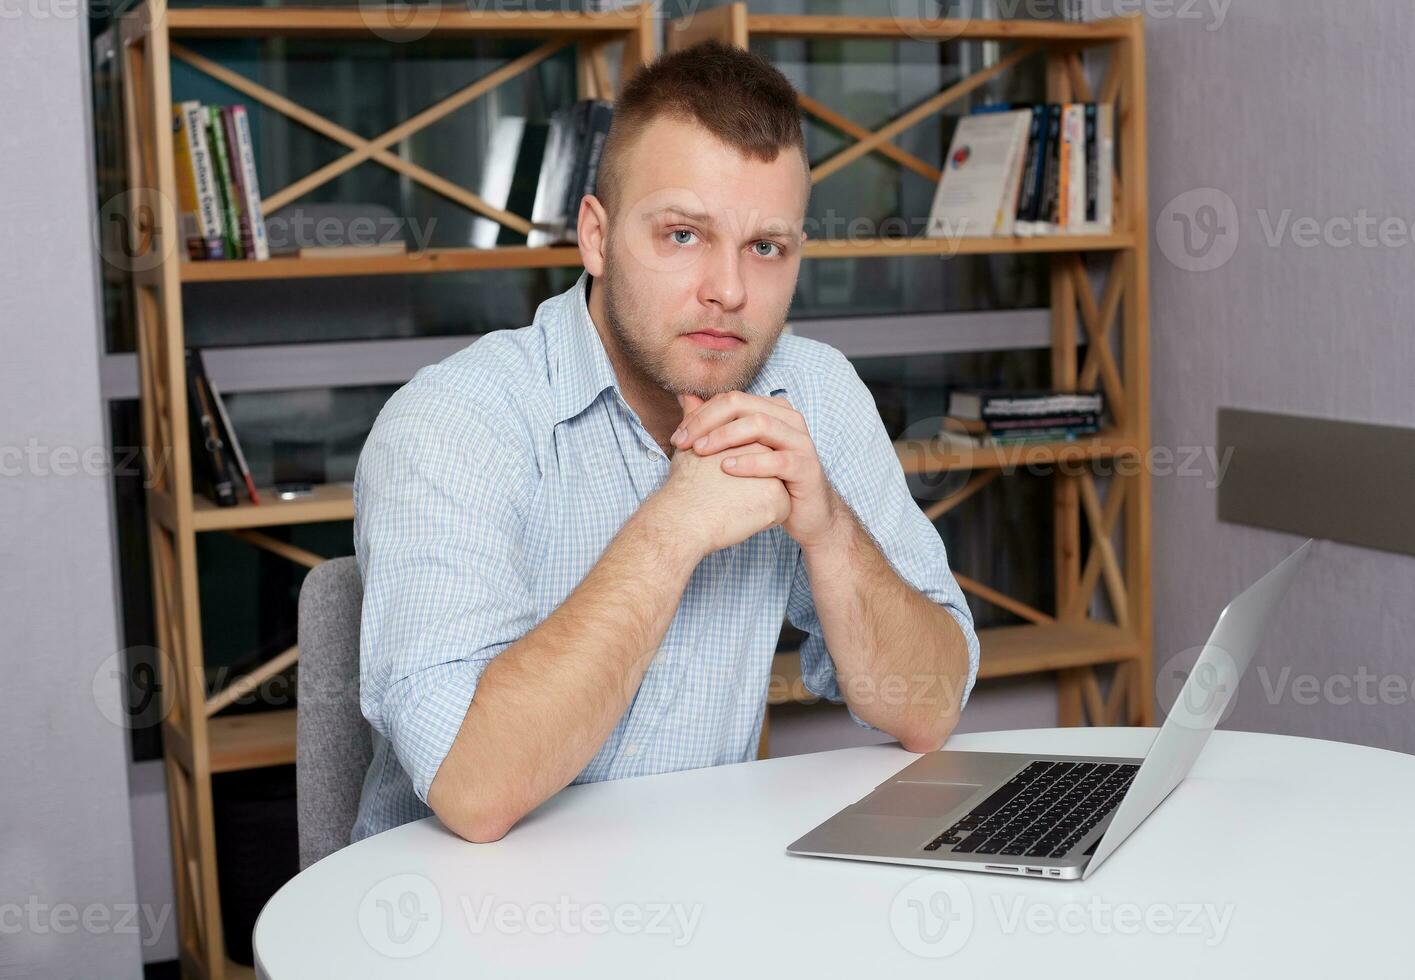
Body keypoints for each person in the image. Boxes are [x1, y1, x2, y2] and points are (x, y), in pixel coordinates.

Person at [351, 40, 980, 844]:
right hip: (447, 921)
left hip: (697, 896)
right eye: (683, 235)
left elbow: (929, 707)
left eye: (766, 247)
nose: (728, 289)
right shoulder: (452, 421)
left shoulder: (813, 393)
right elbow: (475, 790)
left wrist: (830, 531)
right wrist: (674, 526)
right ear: (595, 237)